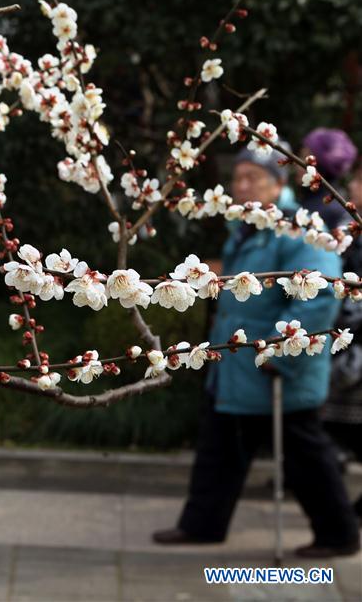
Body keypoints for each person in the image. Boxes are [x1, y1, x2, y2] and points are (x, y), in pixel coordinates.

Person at [153, 146, 361, 558]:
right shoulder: (248, 226)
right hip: (235, 361)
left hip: (279, 367)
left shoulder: (301, 228)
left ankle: (338, 533)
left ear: (280, 182)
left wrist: (281, 354)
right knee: (220, 447)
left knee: (304, 455)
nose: (242, 185)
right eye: (238, 177)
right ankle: (202, 524)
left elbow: (317, 298)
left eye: (254, 177)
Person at [322, 158, 362, 519]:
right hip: (345, 338)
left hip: (355, 340)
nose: (352, 188)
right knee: (334, 424)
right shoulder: (349, 230)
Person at [295, 128, 358, 229]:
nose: (297, 164)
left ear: (320, 166)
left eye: (305, 159)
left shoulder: (332, 212)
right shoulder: (305, 198)